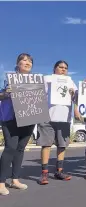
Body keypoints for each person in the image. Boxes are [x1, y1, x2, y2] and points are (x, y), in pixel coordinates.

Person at [37, 60, 77, 185]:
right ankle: (44, 173)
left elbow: (76, 99)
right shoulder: (46, 78)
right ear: (54, 68)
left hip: (64, 118)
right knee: (46, 144)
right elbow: (37, 94)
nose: (63, 69)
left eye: (65, 68)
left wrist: (73, 95)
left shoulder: (70, 81)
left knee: (62, 145)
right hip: (47, 117)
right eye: (61, 67)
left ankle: (59, 171)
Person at [0, 53, 36, 196]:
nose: (27, 63)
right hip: (10, 117)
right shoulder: (7, 77)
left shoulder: (36, 80)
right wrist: (6, 93)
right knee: (10, 147)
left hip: (30, 117)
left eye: (30, 61)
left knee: (20, 149)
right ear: (18, 63)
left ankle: (15, 179)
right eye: (24, 60)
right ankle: (1, 182)